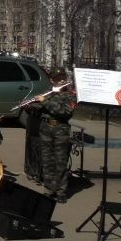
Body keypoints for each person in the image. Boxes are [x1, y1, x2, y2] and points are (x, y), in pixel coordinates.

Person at [24, 67, 76, 204]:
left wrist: (44, 101)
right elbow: (38, 112)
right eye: (59, 79)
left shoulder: (70, 95)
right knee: (47, 160)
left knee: (60, 161)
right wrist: (29, 108)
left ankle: (61, 191)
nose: (62, 80)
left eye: (63, 78)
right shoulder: (47, 93)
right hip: (45, 128)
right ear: (52, 80)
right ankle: (49, 189)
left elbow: (65, 112)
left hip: (61, 129)